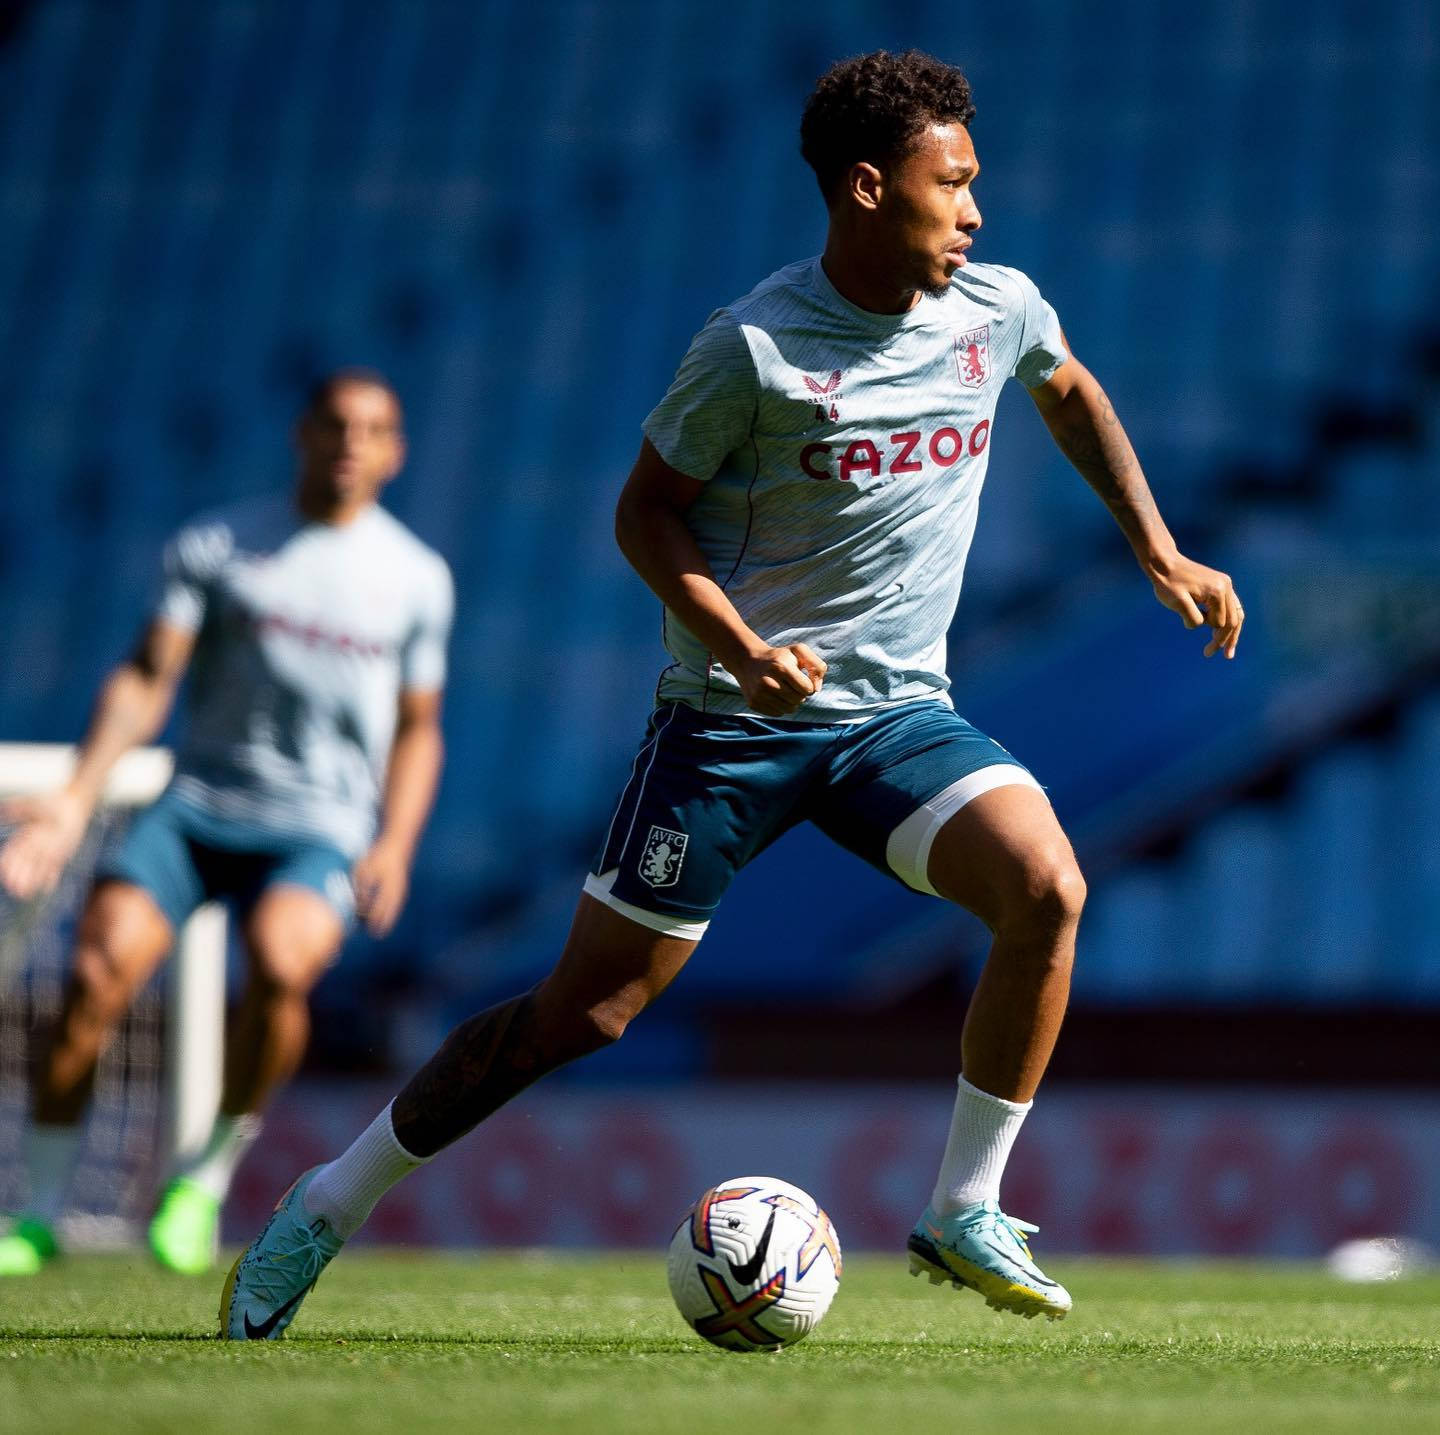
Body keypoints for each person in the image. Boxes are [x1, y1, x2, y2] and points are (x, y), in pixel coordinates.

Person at [222, 51, 1242, 1338]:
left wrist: (1157, 546)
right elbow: (645, 516)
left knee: (1047, 887)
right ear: (871, 188)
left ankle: (964, 1206)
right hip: (731, 722)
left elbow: (1071, 386)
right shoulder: (752, 348)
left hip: (893, 719)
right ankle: (324, 1202)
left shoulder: (998, 307)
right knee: (583, 1012)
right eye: (955, 183)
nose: (977, 210)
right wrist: (742, 643)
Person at [0, 370, 453, 1276]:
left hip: (318, 826)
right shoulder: (218, 544)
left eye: (373, 428)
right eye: (335, 423)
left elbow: (418, 728)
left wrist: (394, 844)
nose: (351, 442)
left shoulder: (414, 578)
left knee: (284, 967)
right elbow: (144, 677)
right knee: (94, 974)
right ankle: (40, 1207)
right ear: (303, 434)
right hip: (199, 806)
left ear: (396, 452)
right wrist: (75, 798)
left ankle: (203, 1177)